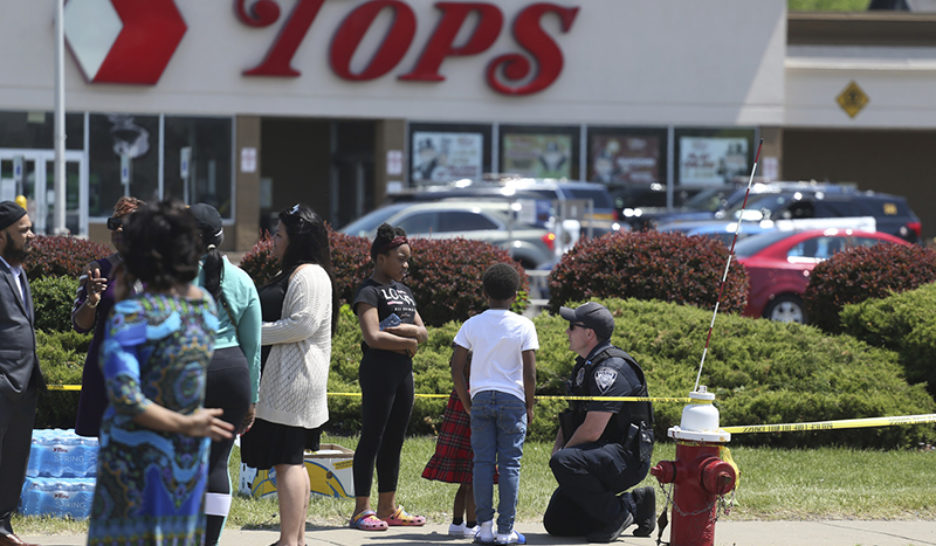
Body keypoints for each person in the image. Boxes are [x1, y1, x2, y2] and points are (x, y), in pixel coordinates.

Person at [87, 199, 235, 545]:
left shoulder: (132, 315)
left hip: (132, 461)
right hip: (185, 458)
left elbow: (125, 398)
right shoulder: (203, 308)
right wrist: (187, 424)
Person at [239, 203, 337, 546]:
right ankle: (295, 538)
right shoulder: (296, 271)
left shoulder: (309, 275)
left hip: (292, 382)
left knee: (287, 462)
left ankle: (289, 541)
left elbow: (303, 325)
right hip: (285, 380)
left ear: (297, 239)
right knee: (290, 460)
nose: (273, 241)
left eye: (278, 235)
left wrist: (251, 333)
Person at [542, 302, 656, 543]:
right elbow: (574, 416)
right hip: (598, 456)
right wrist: (559, 447)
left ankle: (617, 514)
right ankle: (635, 503)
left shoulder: (612, 369)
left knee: (565, 461)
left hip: (626, 457)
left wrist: (563, 458)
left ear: (589, 333)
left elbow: (592, 429)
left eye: (572, 327)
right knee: (557, 522)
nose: (567, 332)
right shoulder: (586, 365)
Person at [190, 203, 262, 546]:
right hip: (232, 373)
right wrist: (252, 399)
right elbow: (253, 346)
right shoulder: (243, 280)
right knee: (218, 462)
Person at [451, 263, 538, 545]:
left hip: (480, 399)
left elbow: (456, 366)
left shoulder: (472, 324)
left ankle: (485, 527)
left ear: (484, 292)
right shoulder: (524, 325)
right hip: (512, 400)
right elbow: (530, 372)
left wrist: (466, 400)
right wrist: (530, 405)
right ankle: (505, 530)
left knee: (483, 464)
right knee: (510, 465)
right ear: (515, 295)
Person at [349, 223, 428, 531]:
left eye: (408, 259)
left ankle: (387, 508)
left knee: (394, 440)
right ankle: (361, 510)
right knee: (373, 436)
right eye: (400, 258)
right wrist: (407, 342)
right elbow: (372, 336)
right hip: (378, 371)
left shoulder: (405, 292)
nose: (405, 265)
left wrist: (408, 333)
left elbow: (424, 332)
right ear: (381, 257)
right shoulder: (368, 291)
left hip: (402, 373)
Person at [72, 196, 144, 437]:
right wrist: (92, 301)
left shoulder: (160, 271)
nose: (120, 228)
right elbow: (79, 326)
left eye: (128, 222)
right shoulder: (96, 270)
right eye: (115, 223)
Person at [0, 201, 41, 546]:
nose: (31, 236)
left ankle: (2, 527)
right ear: (1, 237)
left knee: (14, 460)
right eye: (23, 231)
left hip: (24, 385)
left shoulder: (18, 271)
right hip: (2, 383)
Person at [421, 349, 492, 539]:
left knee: (464, 485)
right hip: (471, 446)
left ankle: (457, 522)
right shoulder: (473, 390)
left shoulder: (459, 390)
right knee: (473, 485)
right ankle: (471, 524)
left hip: (457, 446)